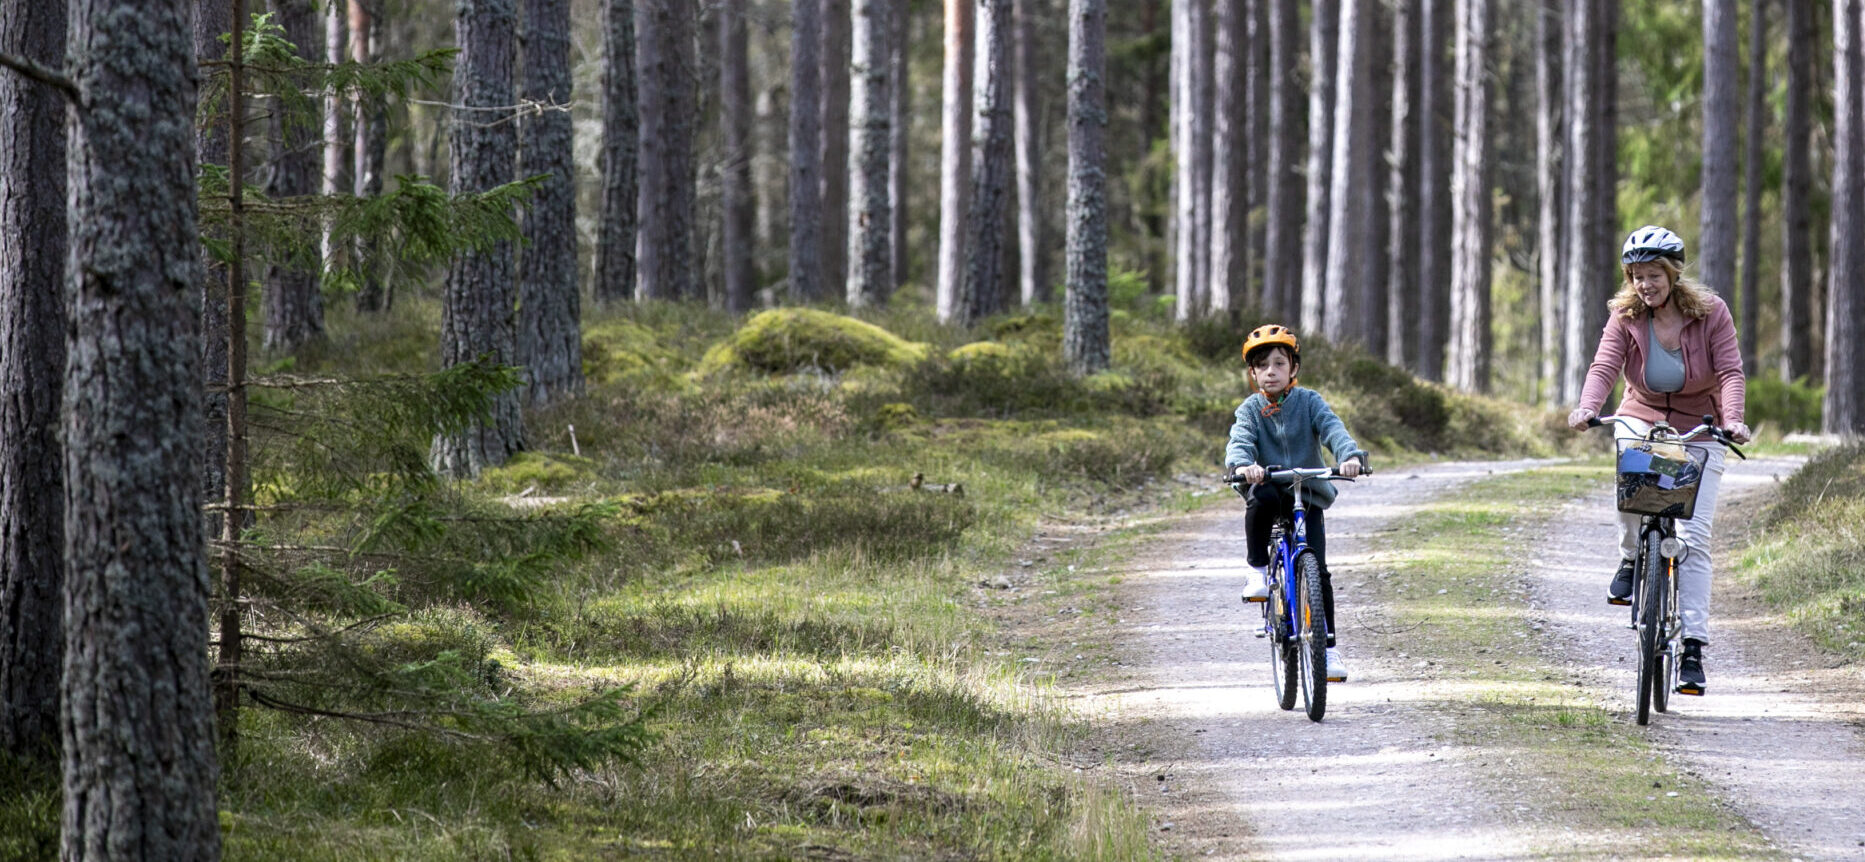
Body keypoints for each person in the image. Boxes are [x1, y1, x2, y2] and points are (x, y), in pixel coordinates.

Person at [1567, 225, 1751, 695]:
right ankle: (1631, 560)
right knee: (1631, 495)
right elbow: (1605, 366)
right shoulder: (1624, 315)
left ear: (1672, 275)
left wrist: (1732, 420)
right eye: (1635, 276)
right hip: (1642, 417)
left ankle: (1692, 647)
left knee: (1693, 538)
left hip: (1699, 428)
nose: (1644, 285)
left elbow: (1730, 370)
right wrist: (1589, 406)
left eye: (1652, 275)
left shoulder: (1710, 313)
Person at [1226, 324, 1369, 682]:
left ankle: (1328, 650)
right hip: (1271, 487)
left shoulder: (1309, 402)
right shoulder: (1250, 410)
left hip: (1306, 493)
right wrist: (1245, 465)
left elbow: (1333, 428)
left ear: (1293, 369)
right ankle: (1258, 570)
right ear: (1253, 373)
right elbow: (1239, 441)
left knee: (1318, 572)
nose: (1271, 371)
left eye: (1279, 363)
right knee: (1260, 500)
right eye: (1263, 366)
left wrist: (1349, 455)